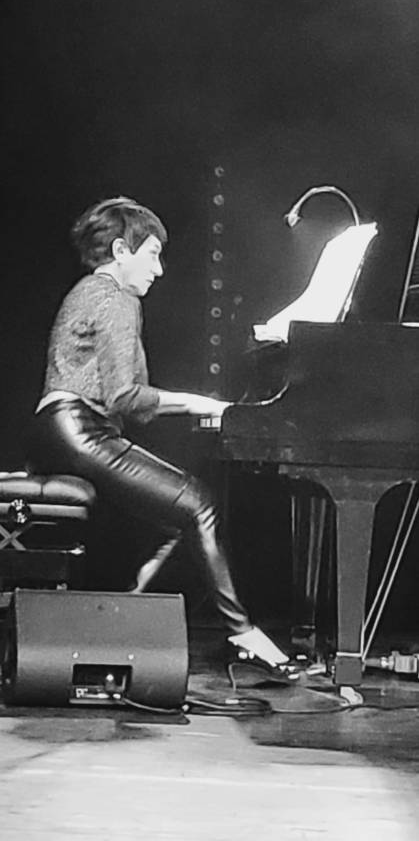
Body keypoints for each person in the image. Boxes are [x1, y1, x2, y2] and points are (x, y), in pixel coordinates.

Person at [27, 196, 299, 686]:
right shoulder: (115, 297)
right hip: (80, 430)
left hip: (56, 430)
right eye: (151, 254)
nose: (159, 269)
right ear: (120, 251)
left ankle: (114, 629)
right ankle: (245, 633)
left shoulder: (88, 291)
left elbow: (125, 400)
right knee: (199, 503)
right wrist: (203, 403)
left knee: (172, 520)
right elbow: (125, 396)